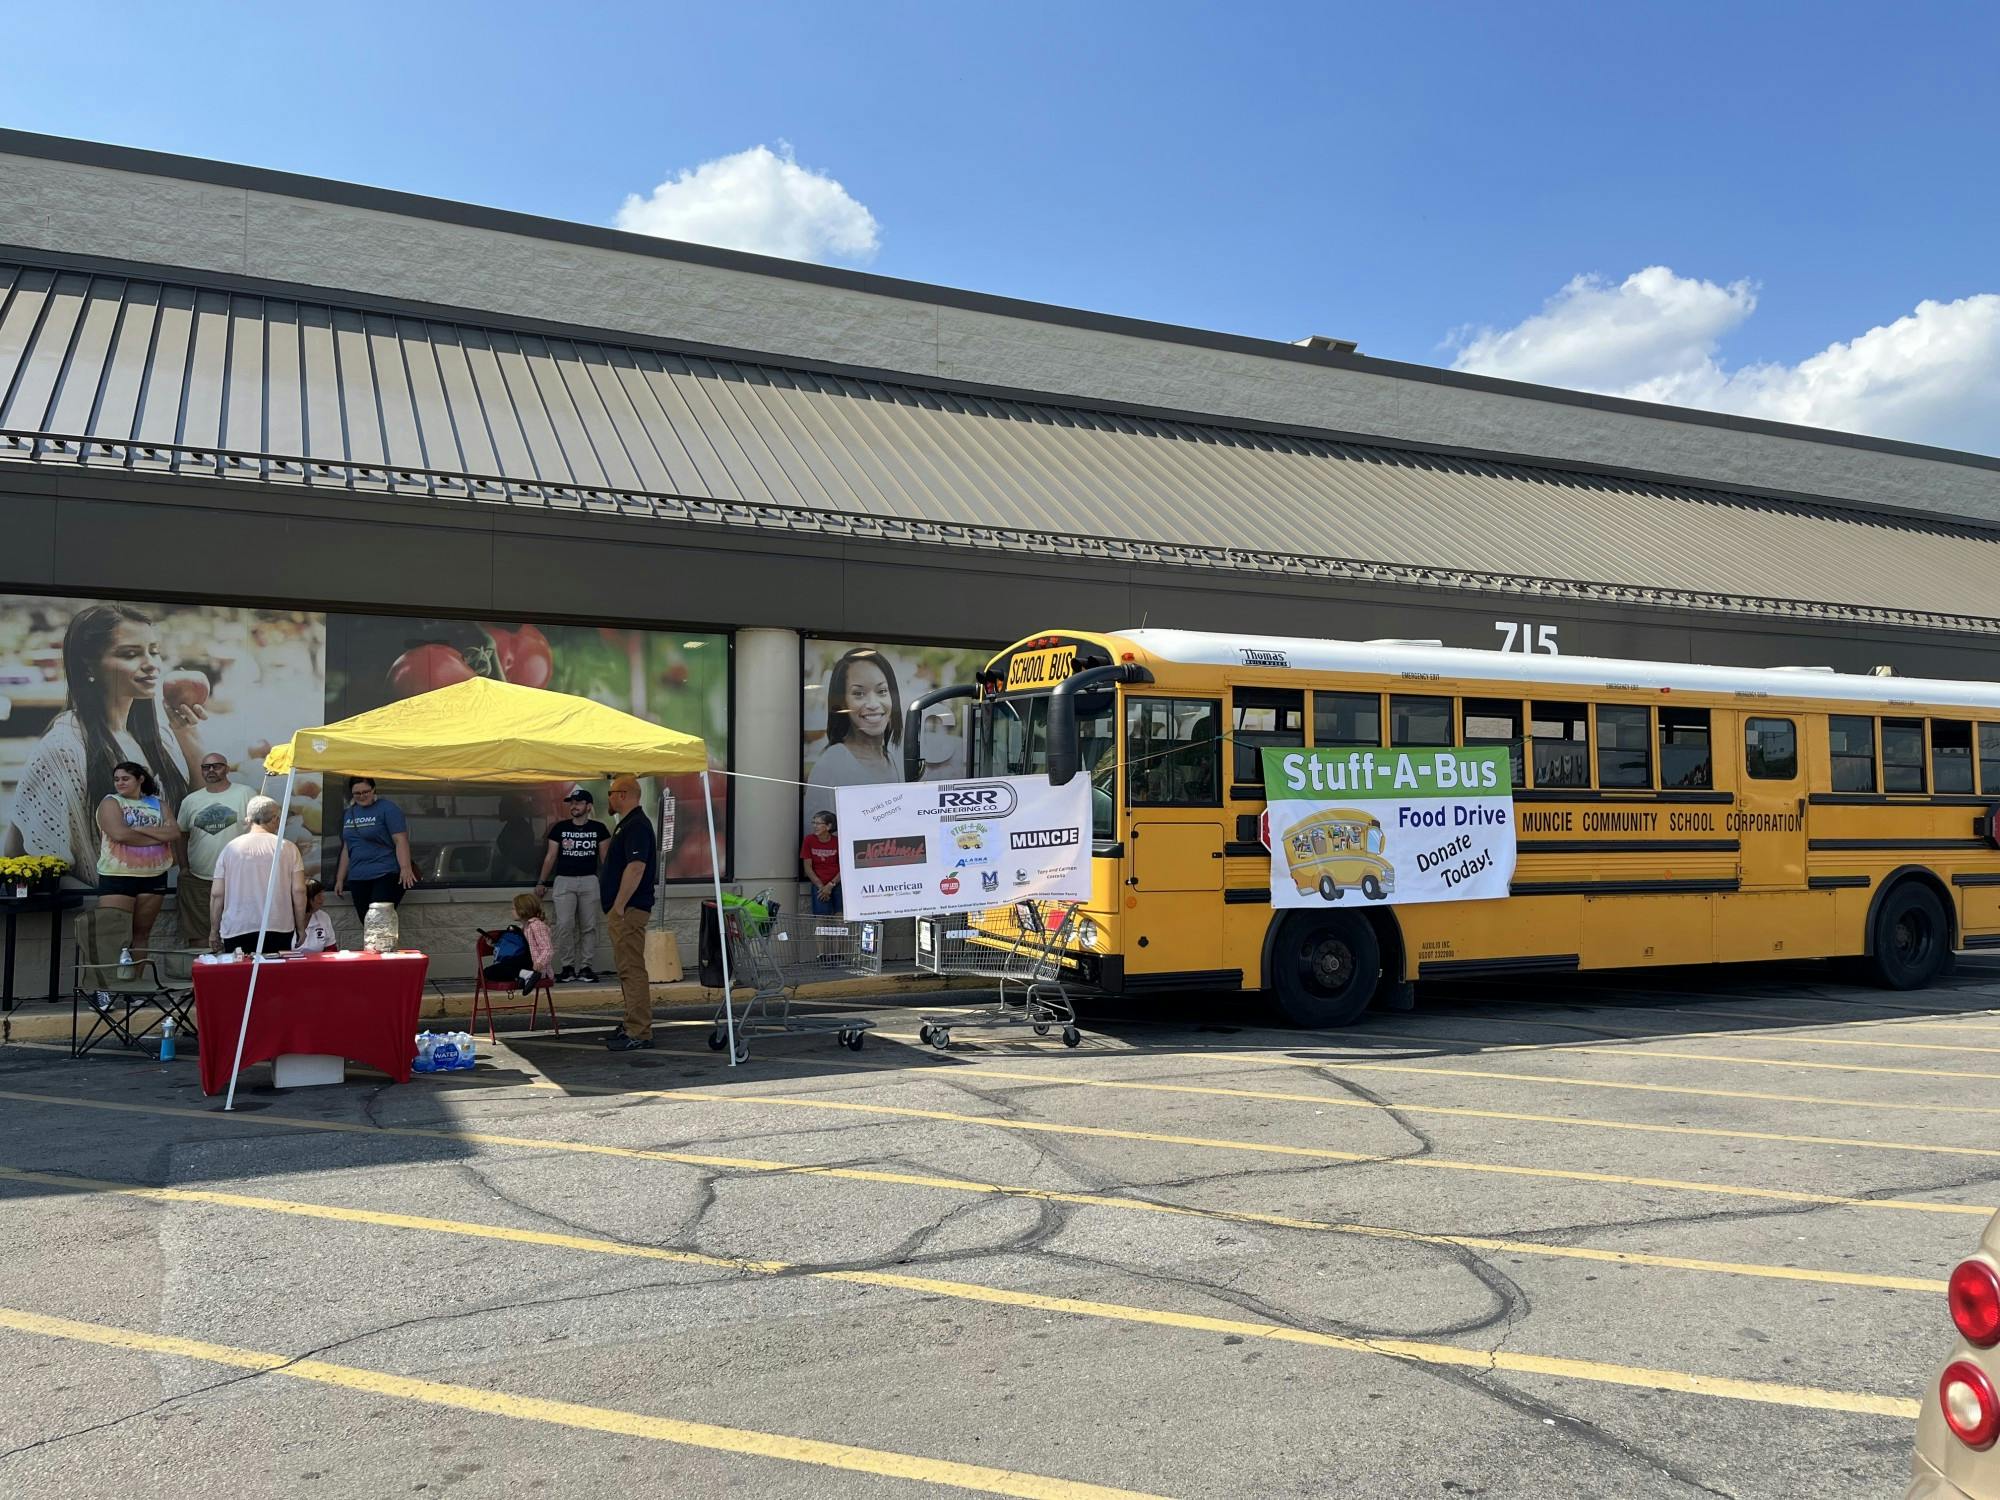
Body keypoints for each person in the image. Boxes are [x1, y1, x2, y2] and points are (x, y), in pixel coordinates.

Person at [5, 603, 204, 883]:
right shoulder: (63, 748)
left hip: (172, 912)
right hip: (106, 917)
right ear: (89, 664)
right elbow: (28, 859)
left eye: (154, 651)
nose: (151, 663)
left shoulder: (162, 738)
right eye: (131, 654)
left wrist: (188, 735)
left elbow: (204, 820)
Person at [802, 647, 902, 827]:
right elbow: (817, 839)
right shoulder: (831, 765)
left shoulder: (895, 757)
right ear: (842, 703)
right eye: (858, 694)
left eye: (882, 691)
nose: (873, 704)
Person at [94, 762, 177, 957]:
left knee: (141, 934)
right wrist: (157, 836)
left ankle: (136, 983)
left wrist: (139, 829)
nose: (120, 783)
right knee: (113, 936)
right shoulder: (111, 802)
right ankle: (108, 986)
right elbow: (120, 834)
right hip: (117, 876)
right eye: (116, 779)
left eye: (125, 778)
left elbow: (173, 832)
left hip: (154, 876)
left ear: (140, 779)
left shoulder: (158, 804)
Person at [600, 774, 657, 1051]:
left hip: (629, 910)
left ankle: (639, 1030)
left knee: (632, 970)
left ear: (623, 794)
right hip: (625, 909)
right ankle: (631, 1023)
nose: (608, 797)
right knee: (627, 969)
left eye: (611, 792)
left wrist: (619, 906)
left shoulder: (636, 825)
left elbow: (636, 867)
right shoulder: (628, 824)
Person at [208, 795, 305, 955]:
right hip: (279, 925)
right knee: (274, 977)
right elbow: (299, 890)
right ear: (275, 819)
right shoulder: (288, 848)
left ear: (248, 819)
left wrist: (214, 930)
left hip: (237, 926)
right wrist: (301, 927)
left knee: (241, 977)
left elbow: (217, 894)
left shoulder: (230, 849)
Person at [174, 752, 252, 950]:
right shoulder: (190, 801)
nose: (210, 770)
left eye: (216, 766)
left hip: (238, 878)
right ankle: (202, 976)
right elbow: (180, 835)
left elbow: (258, 830)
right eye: (206, 767)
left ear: (226, 768)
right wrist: (184, 867)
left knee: (240, 933)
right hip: (199, 879)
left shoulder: (246, 793)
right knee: (199, 935)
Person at [534, 786, 609, 983]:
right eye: (572, 803)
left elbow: (605, 859)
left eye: (578, 803)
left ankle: (585, 967)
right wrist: (541, 881)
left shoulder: (599, 829)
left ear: (589, 806)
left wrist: (610, 882)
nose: (574, 806)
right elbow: (550, 856)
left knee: (589, 926)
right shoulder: (560, 828)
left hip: (589, 880)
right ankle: (567, 967)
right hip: (564, 881)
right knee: (564, 925)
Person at [334, 777, 415, 920]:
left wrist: (405, 867)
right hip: (358, 876)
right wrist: (340, 878)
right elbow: (347, 848)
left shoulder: (388, 808)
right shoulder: (349, 813)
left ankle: (385, 943)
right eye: (357, 793)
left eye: (365, 792)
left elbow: (400, 839)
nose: (362, 796)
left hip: (384, 872)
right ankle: (378, 943)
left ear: (373, 790)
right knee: (366, 921)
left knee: (379, 919)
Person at [483, 892, 554, 992]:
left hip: (534, 965)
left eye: (513, 908)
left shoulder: (536, 925)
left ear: (522, 910)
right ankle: (524, 975)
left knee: (491, 971)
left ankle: (526, 975)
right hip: (522, 964)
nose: (511, 911)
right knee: (490, 972)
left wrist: (540, 963)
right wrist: (494, 944)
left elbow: (547, 949)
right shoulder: (523, 928)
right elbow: (518, 948)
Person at [800, 810, 842, 915]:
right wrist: (822, 887)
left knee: (840, 915)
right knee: (821, 916)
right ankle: (822, 932)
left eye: (818, 823)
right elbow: (807, 867)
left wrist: (831, 885)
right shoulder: (809, 840)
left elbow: (844, 867)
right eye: (813, 823)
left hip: (837, 882)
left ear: (828, 826)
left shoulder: (838, 842)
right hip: (818, 884)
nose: (815, 826)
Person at [293, 878, 337, 953]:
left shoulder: (324, 917)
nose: (323, 898)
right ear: (306, 897)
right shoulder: (287, 918)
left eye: (323, 894)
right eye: (319, 895)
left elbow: (331, 949)